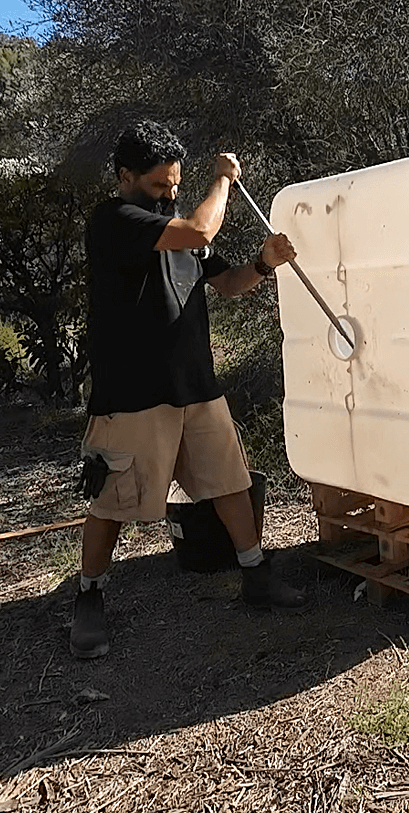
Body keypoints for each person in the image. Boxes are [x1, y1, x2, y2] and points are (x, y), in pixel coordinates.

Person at [71, 120, 308, 659]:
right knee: (113, 501)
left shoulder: (177, 226)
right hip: (133, 393)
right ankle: (89, 598)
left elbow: (226, 283)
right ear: (126, 176)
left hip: (196, 386)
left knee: (230, 482)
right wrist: (221, 181)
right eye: (159, 186)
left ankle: (254, 573)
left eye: (176, 185)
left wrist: (263, 264)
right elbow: (202, 232)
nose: (170, 195)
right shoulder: (113, 221)